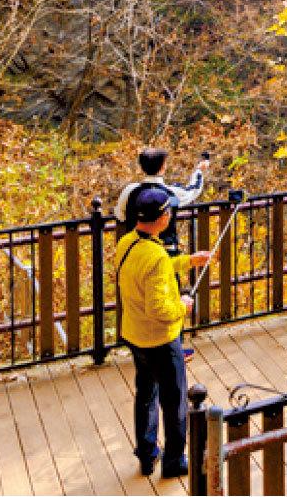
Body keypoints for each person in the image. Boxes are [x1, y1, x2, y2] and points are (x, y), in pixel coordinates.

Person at [115, 186, 211, 478]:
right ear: (161, 218)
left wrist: (189, 261)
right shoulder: (154, 254)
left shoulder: (128, 242)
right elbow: (159, 309)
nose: (170, 215)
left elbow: (155, 268)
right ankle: (173, 460)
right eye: (168, 211)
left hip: (135, 334)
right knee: (174, 400)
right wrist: (182, 306)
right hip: (160, 338)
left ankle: (146, 452)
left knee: (145, 393)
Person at [114, 148, 209, 258]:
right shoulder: (172, 192)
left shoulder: (129, 190)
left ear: (142, 166)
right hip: (165, 252)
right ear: (163, 167)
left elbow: (120, 215)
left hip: (136, 251)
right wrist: (199, 171)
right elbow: (193, 190)